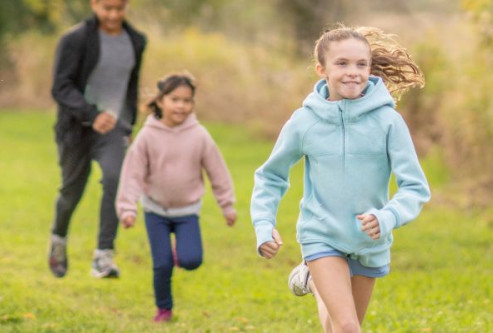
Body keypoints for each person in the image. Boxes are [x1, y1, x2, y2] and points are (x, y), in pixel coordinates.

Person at [250, 25, 431, 333]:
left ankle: (314, 282)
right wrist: (264, 224)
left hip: (369, 241)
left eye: (361, 64)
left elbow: (415, 187)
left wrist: (387, 217)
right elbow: (271, 176)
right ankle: (317, 273)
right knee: (348, 327)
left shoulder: (389, 122)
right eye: (342, 64)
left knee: (337, 326)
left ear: (370, 68)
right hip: (321, 234)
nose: (353, 72)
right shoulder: (304, 121)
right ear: (322, 69)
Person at [115, 72, 237, 322]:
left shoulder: (199, 135)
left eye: (187, 100)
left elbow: (217, 171)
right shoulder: (147, 136)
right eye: (175, 99)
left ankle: (180, 252)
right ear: (160, 101)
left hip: (187, 211)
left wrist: (227, 206)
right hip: (155, 210)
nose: (181, 106)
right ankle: (164, 309)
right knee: (161, 265)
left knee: (192, 260)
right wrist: (128, 209)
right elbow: (132, 174)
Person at [48, 0, 147, 279]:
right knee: (71, 191)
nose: (113, 15)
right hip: (76, 128)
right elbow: (61, 86)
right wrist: (92, 114)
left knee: (116, 178)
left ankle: (103, 256)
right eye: (107, 8)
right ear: (94, 4)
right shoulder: (75, 39)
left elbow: (131, 84)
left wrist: (128, 126)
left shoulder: (136, 40)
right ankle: (58, 239)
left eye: (119, 8)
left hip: (114, 128)